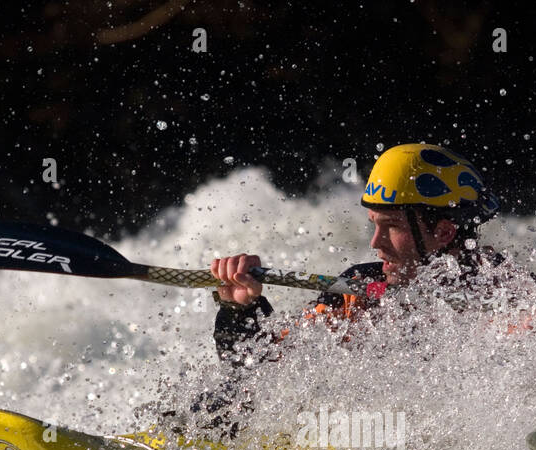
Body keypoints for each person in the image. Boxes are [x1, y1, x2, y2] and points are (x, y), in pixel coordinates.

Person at [208, 143, 508, 368]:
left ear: (444, 232)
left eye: (391, 226)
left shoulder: (509, 292)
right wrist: (240, 309)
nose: (376, 242)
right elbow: (262, 367)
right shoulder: (359, 290)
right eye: (374, 224)